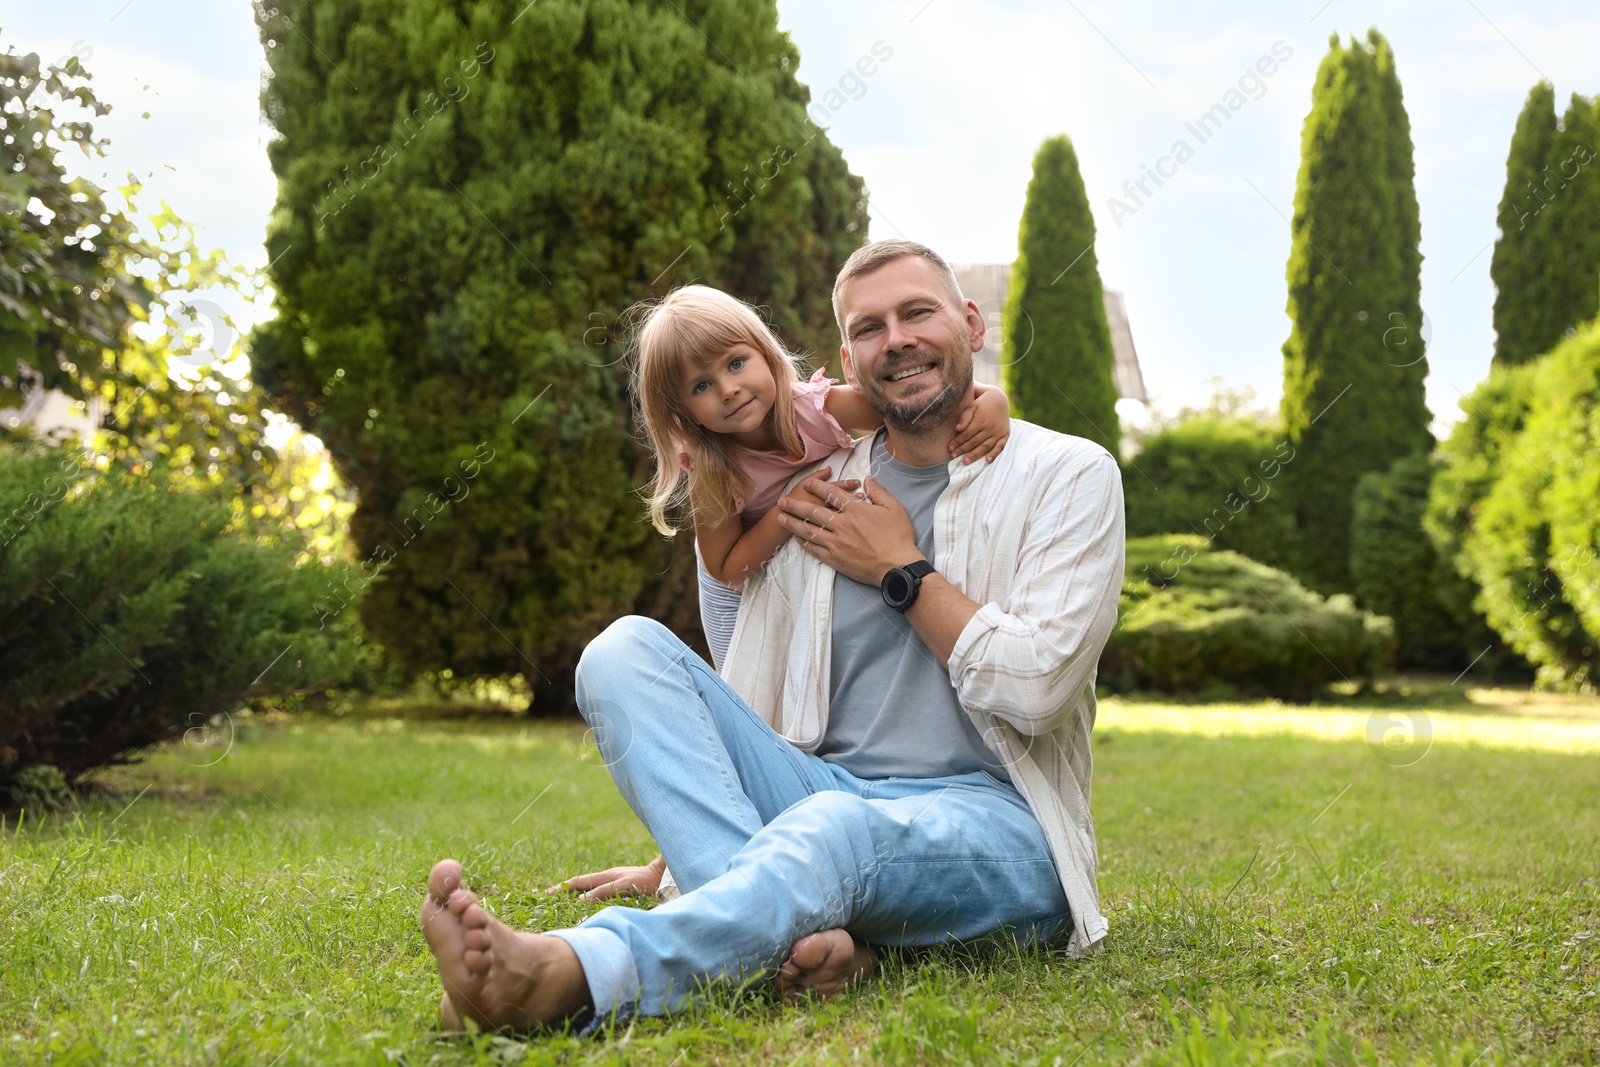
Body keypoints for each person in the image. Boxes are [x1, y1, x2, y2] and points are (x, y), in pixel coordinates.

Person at [418, 239, 1126, 1033]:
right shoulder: (808, 483)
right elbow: (740, 670)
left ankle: (567, 972)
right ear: (848, 360)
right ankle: (792, 934)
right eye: (868, 328)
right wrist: (670, 856)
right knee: (621, 650)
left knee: (831, 830)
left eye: (917, 312)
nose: (895, 339)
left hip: (996, 823)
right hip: (820, 793)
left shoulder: (1068, 473)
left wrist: (903, 570)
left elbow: (1035, 690)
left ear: (970, 323)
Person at [631, 284, 1011, 670]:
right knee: (746, 685)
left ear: (765, 355)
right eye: (701, 386)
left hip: (802, 567)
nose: (728, 390)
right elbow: (727, 567)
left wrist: (992, 400)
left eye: (735, 363)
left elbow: (915, 405)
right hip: (734, 590)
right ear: (686, 412)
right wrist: (791, 509)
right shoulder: (712, 468)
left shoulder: (814, 409)